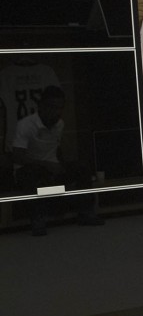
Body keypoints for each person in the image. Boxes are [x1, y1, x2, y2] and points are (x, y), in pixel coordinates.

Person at [12, 84, 102, 236]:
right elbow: (18, 157)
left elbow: (55, 148)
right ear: (41, 106)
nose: (55, 112)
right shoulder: (25, 125)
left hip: (51, 168)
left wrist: (61, 165)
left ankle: (86, 212)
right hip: (29, 169)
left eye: (59, 108)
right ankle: (38, 219)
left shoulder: (59, 124)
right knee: (31, 174)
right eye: (51, 107)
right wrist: (47, 164)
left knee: (81, 168)